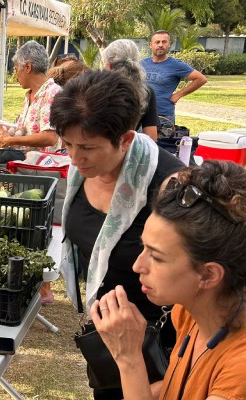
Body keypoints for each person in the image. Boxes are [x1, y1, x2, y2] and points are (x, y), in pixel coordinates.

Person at [51, 70, 185, 400]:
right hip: (107, 333)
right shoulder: (82, 170)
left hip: (156, 340)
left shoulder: (172, 187)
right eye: (67, 144)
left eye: (86, 147)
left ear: (125, 139)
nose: (74, 157)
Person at [92, 160, 246, 400]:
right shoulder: (187, 311)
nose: (137, 266)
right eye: (144, 247)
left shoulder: (239, 371)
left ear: (209, 274)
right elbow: (176, 386)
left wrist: (129, 359)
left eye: (156, 256)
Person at [0, 40, 62, 159]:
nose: (16, 75)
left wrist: (11, 140)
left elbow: (50, 137)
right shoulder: (29, 95)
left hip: (44, 169)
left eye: (16, 69)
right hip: (27, 166)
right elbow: (27, 132)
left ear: (27, 67)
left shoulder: (52, 93)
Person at [141, 30, 208, 124]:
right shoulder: (142, 63)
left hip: (162, 117)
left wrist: (178, 95)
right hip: (141, 115)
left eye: (164, 42)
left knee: (160, 140)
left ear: (169, 44)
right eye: (157, 42)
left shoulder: (176, 65)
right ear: (151, 45)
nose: (160, 45)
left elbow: (201, 79)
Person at [103, 39, 159, 141]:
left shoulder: (96, 89)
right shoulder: (146, 92)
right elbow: (151, 138)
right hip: (128, 151)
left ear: (110, 66)